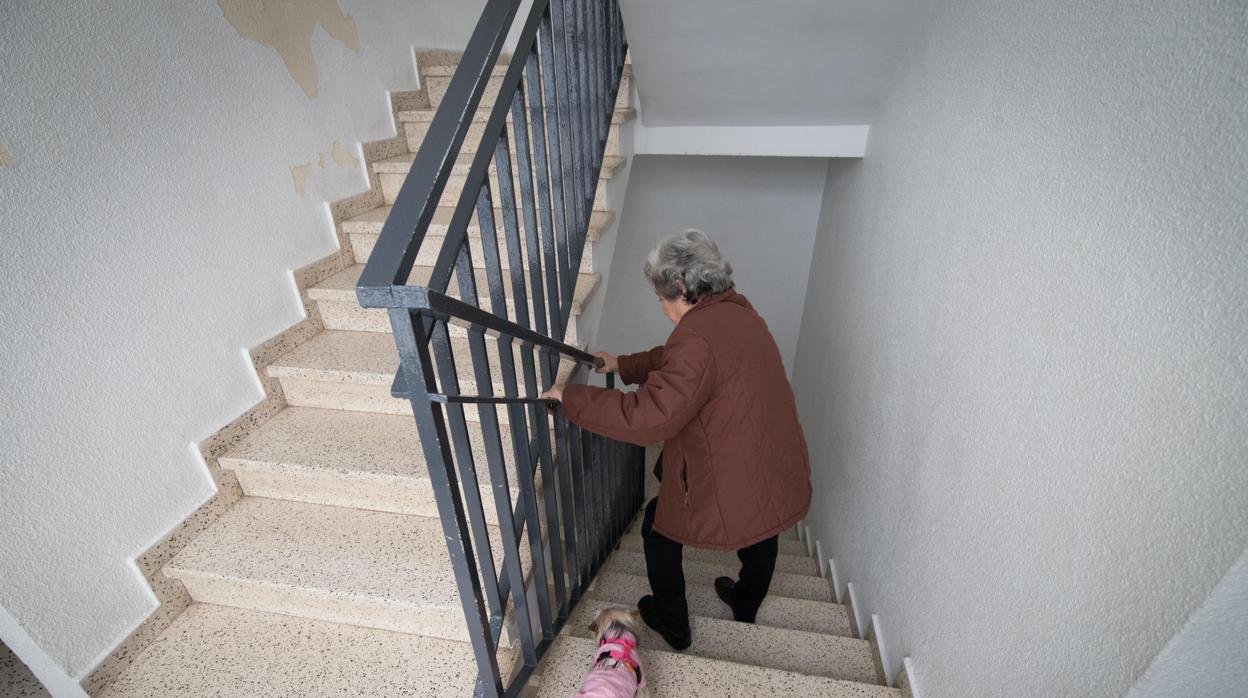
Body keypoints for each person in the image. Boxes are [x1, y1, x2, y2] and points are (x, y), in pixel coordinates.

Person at [540, 229, 812, 649]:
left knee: (657, 528)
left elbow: (652, 417)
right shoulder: (737, 311)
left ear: (681, 288)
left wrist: (574, 398)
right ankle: (746, 602)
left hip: (729, 456)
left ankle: (673, 622)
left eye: (662, 297)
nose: (661, 306)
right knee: (762, 522)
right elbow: (678, 363)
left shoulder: (696, 336)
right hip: (765, 448)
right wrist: (624, 365)